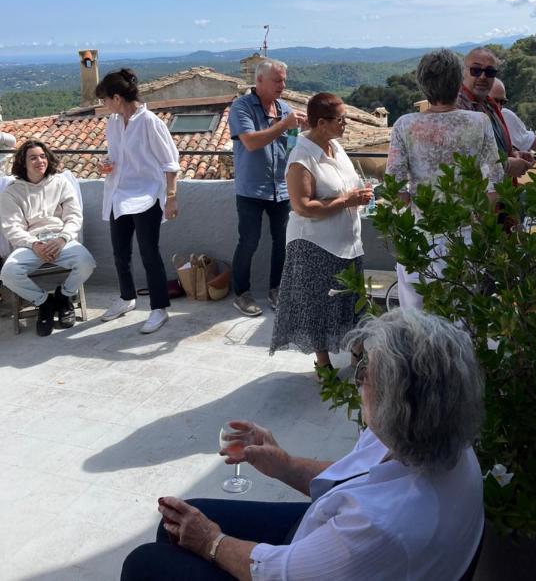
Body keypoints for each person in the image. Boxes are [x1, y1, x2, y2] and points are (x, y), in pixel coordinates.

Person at [121, 309, 485, 581]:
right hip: (328, 537)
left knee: (144, 564)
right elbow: (359, 479)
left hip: (319, 560)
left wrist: (211, 543)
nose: (357, 381)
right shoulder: (435, 438)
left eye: (365, 373)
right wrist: (285, 464)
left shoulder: (382, 525)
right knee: (176, 522)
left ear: (398, 402)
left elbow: (281, 573)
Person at [386, 49, 503, 309]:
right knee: (462, 325)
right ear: (457, 81)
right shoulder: (478, 122)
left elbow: (393, 187)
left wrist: (417, 210)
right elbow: (497, 181)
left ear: (423, 83)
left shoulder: (405, 125)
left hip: (420, 239)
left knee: (418, 326)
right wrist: (481, 221)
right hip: (466, 239)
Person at [269, 92, 372, 372]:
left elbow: (346, 184)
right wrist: (347, 201)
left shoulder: (335, 147)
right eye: (341, 119)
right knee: (318, 306)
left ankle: (357, 353)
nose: (346, 124)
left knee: (351, 302)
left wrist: (359, 194)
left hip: (348, 241)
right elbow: (302, 206)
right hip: (314, 244)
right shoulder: (301, 157)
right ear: (322, 123)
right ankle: (324, 365)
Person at [95, 69, 180, 335]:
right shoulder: (113, 122)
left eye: (105, 100)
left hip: (146, 196)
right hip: (118, 196)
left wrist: (171, 198)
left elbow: (170, 163)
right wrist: (106, 165)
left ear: (117, 97)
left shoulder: (150, 122)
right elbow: (114, 157)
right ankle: (126, 298)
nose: (104, 105)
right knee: (120, 252)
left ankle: (159, 308)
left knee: (149, 253)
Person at [228, 59, 306, 317]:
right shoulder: (241, 107)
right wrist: (284, 125)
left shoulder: (283, 108)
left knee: (282, 242)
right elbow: (250, 142)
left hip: (281, 188)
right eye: (277, 80)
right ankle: (241, 293)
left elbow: (290, 148)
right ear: (259, 80)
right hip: (251, 188)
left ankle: (278, 290)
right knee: (248, 242)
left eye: (284, 80)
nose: (282, 85)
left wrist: (299, 133)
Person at [0, 139, 95, 336]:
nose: (40, 161)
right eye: (33, 158)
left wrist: (63, 238)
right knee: (8, 274)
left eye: (43, 156)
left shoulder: (61, 183)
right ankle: (44, 302)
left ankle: (64, 296)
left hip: (60, 239)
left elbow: (74, 216)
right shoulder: (12, 192)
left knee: (86, 262)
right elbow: (12, 227)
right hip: (31, 243)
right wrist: (34, 244)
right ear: (23, 163)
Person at [456, 47, 534, 179]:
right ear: (464, 72)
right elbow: (459, 159)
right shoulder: (456, 108)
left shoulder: (490, 105)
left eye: (490, 72)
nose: (483, 76)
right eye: (476, 70)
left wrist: (513, 155)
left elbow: (491, 148)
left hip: (498, 193)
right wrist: (507, 165)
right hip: (473, 196)